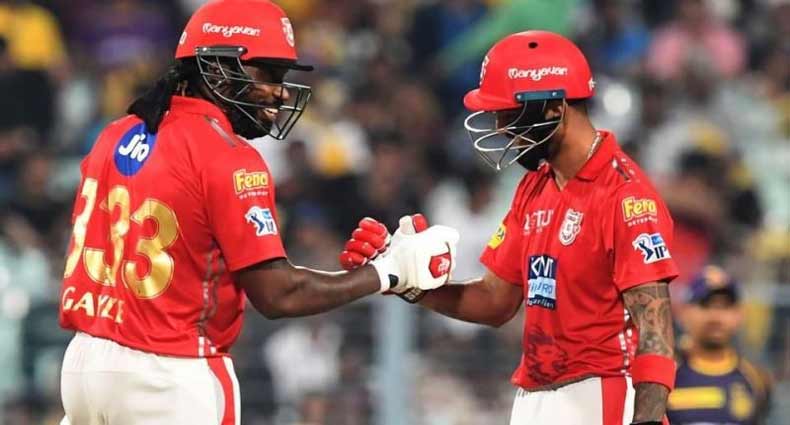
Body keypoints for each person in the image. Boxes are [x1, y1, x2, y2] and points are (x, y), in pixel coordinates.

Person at [56, 1, 459, 424]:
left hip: (86, 363)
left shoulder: (115, 133)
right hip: (170, 371)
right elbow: (278, 294)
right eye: (268, 74)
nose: (280, 92)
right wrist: (389, 272)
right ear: (216, 70)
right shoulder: (228, 155)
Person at [342, 31, 679, 425]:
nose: (502, 128)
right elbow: (494, 301)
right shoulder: (535, 187)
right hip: (535, 397)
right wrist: (408, 283)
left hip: (601, 394)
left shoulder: (625, 196)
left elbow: (656, 334)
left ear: (554, 107)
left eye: (509, 113)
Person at [668, 265, 773, 425]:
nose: (716, 316)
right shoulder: (665, 375)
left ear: (739, 314)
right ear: (684, 312)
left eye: (725, 306)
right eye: (705, 305)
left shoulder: (757, 379)